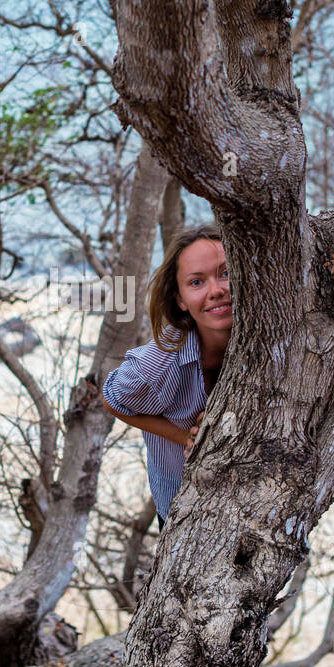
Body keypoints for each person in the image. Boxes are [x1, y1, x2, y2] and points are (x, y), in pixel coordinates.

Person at [101, 223, 232, 530]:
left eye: (225, 273)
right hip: (178, 499)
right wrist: (184, 435)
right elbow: (111, 397)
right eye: (197, 282)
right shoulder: (158, 365)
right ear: (181, 300)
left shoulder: (270, 342)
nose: (216, 290)